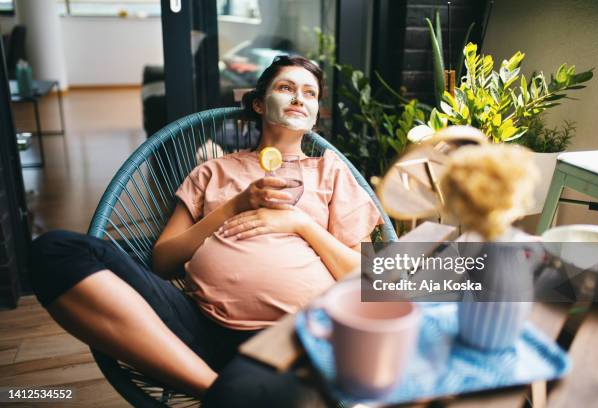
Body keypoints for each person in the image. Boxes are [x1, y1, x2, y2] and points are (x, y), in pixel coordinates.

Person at [28, 55, 382, 406]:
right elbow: (163, 262)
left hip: (291, 338)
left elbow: (365, 278)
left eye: (309, 93)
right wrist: (235, 206)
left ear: (316, 112)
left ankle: (227, 393)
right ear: (258, 104)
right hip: (199, 326)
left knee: (276, 393)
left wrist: (300, 224)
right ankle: (217, 391)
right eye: (285, 88)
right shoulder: (211, 172)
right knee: (56, 250)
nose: (297, 98)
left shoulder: (331, 173)